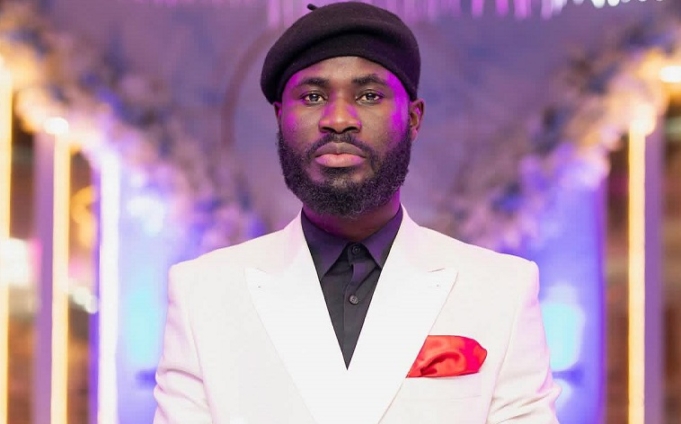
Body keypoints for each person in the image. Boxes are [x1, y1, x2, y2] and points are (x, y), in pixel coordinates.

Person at [153, 2, 560, 423]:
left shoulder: (501, 291)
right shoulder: (203, 294)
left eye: (368, 96)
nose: (338, 120)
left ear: (413, 119)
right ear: (280, 117)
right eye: (313, 96)